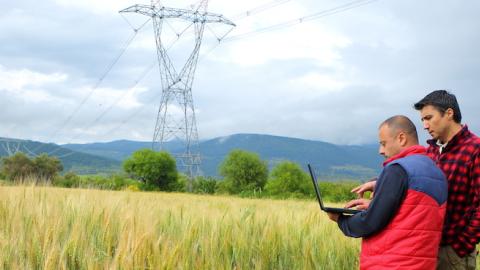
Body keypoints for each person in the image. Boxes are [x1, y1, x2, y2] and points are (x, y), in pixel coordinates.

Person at [327, 115, 447, 269]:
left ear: (401, 138)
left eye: (383, 144)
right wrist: (375, 205)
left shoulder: (397, 169)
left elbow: (370, 222)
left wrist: (341, 220)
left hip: (390, 264)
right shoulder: (437, 172)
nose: (380, 151)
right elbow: (410, 215)